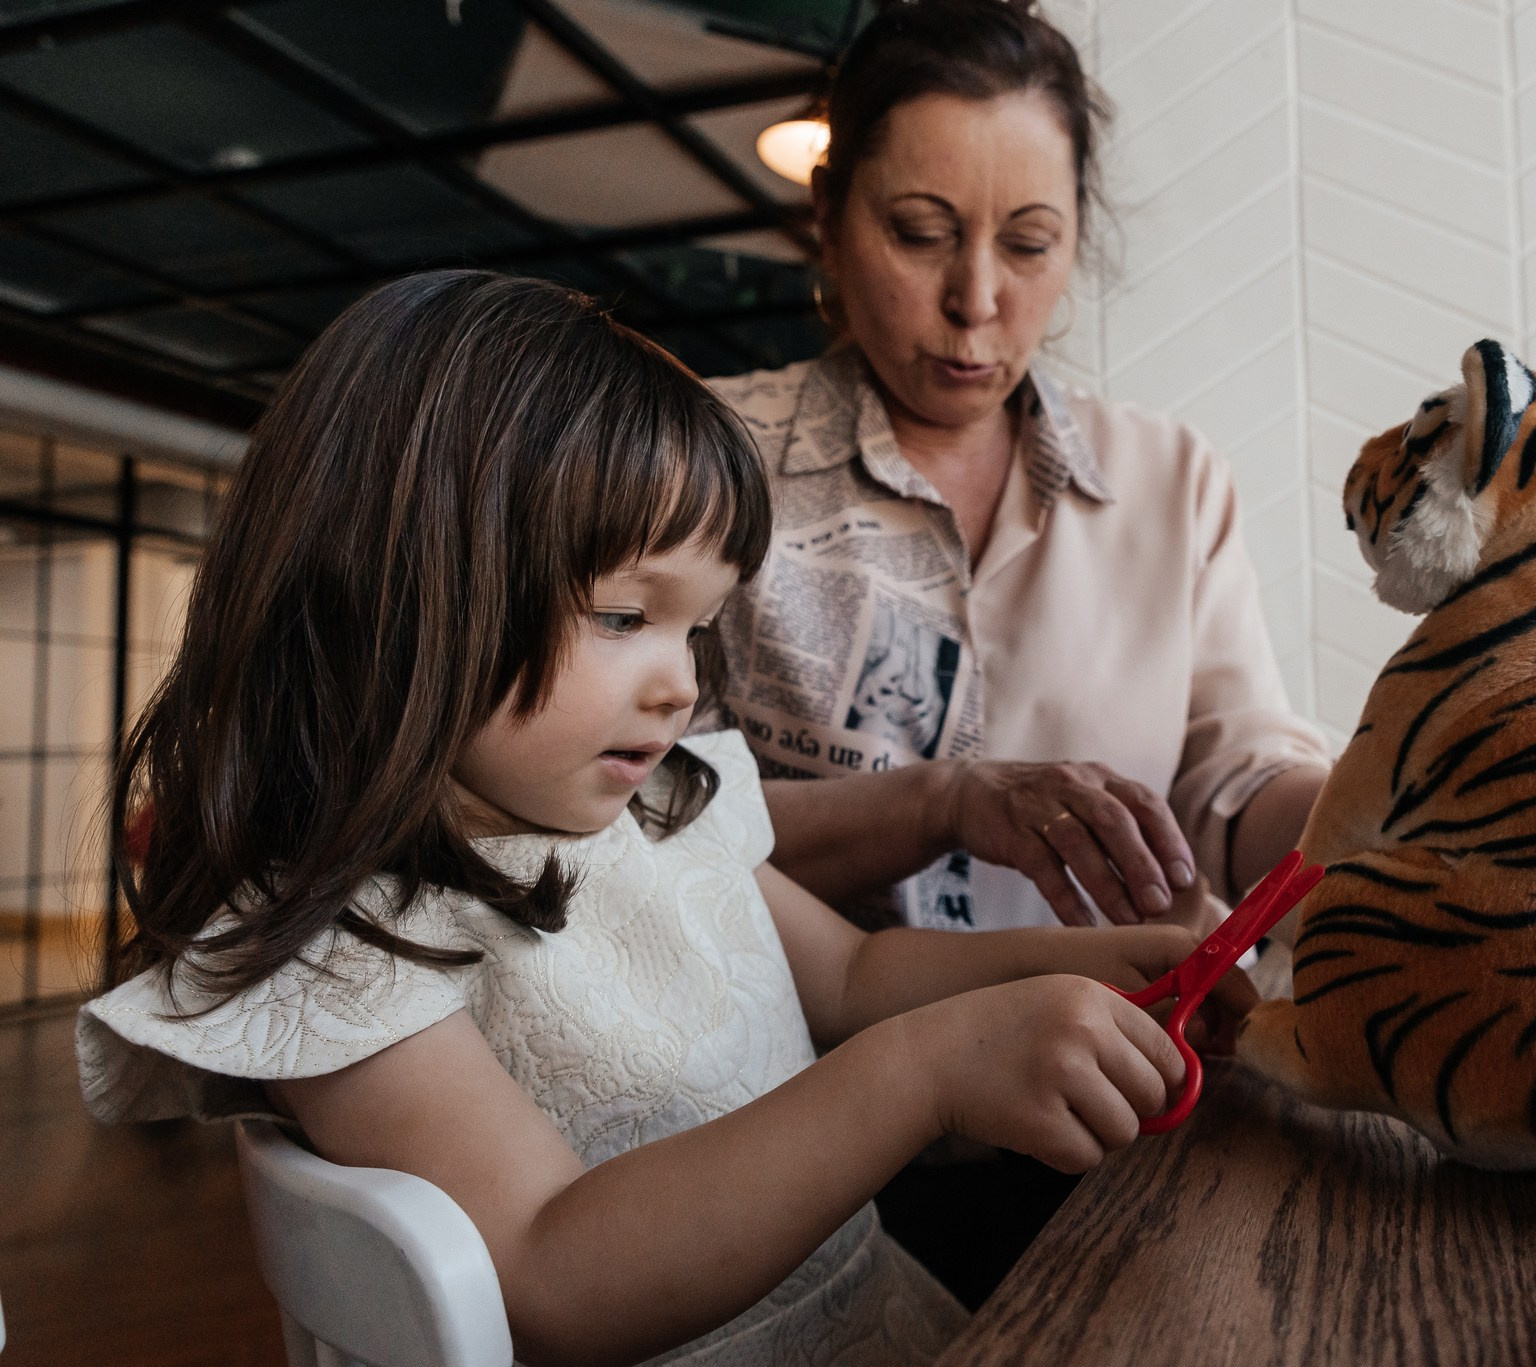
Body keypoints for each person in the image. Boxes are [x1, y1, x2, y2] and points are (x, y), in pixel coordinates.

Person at [74, 271, 1244, 1367]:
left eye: (696, 627)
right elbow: (546, 1263)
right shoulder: (341, 945)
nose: (679, 682)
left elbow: (857, 972)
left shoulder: (654, 805)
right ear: (401, 594)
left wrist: (1113, 964)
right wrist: (923, 1074)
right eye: (627, 611)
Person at [703, 0, 1331, 1300]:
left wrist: (1393, 807)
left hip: (1120, 1110)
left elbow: (1235, 784)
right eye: (918, 233)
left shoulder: (1168, 484)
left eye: (1029, 243)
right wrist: (934, 801)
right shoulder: (711, 467)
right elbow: (636, 831)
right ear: (829, 215)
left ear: (1076, 238)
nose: (976, 300)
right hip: (784, 1148)